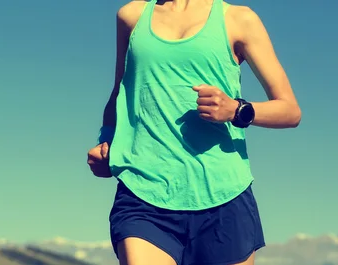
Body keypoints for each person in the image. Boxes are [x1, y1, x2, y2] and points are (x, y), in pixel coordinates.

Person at [87, 0, 301, 264]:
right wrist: (107, 139)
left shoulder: (238, 19)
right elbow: (120, 90)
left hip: (223, 196)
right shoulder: (132, 16)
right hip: (143, 191)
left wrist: (236, 109)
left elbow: (290, 110)